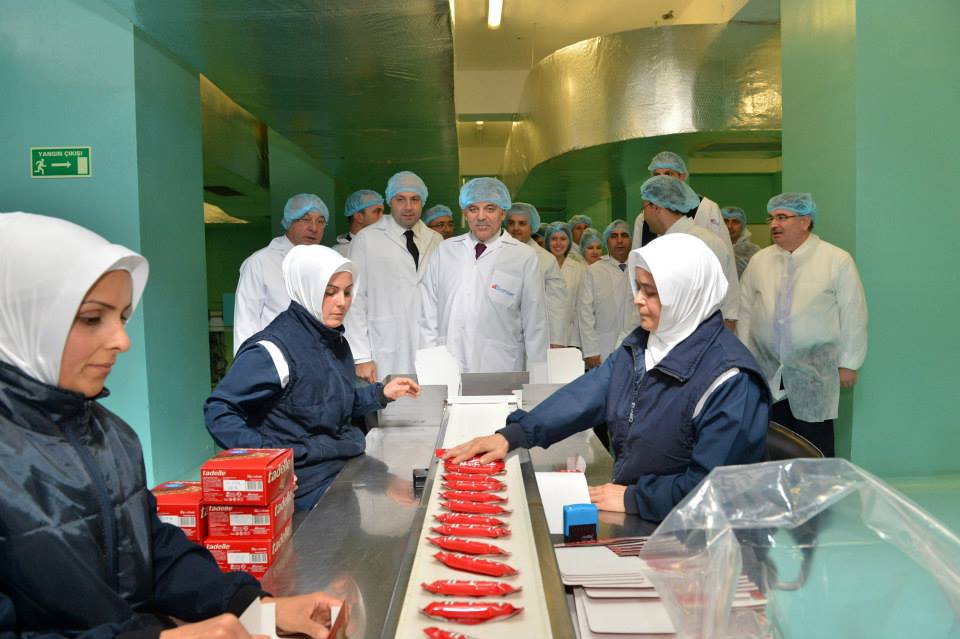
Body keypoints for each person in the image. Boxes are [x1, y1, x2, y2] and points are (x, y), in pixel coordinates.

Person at [0, 212, 343, 638]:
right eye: (91, 318)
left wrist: (256, 610)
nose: (122, 341)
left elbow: (153, 552)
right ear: (19, 318)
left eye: (122, 317)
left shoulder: (111, 436)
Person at [445, 234, 770, 522]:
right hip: (642, 507)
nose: (637, 299)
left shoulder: (731, 380)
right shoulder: (647, 344)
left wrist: (635, 499)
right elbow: (587, 394)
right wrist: (515, 435)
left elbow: (717, 491)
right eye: (638, 287)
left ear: (687, 296)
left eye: (651, 292)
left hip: (688, 531)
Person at [206, 245, 420, 511]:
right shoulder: (272, 351)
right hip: (305, 486)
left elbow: (332, 402)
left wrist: (380, 393)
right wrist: (272, 464)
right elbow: (219, 411)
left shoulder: (334, 341)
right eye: (330, 292)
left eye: (347, 292)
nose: (341, 302)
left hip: (342, 468)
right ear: (307, 289)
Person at [738, 193, 868, 456]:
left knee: (814, 440)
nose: (774, 224)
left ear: (805, 221)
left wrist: (849, 363)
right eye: (771, 218)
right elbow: (745, 310)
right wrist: (743, 358)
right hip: (767, 366)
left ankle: (818, 484)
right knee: (773, 437)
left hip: (814, 371)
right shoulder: (760, 260)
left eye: (782, 217)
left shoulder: (836, 259)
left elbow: (853, 312)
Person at [420, 177, 548, 376]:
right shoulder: (445, 251)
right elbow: (428, 314)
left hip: (501, 365)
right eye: (473, 209)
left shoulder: (523, 256)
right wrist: (429, 366)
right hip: (449, 363)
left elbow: (535, 323)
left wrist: (539, 376)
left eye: (490, 208)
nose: (481, 217)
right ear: (465, 214)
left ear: (502, 212)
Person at [344, 171, 443, 382]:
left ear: (422, 202)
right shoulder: (366, 239)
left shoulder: (436, 240)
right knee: (387, 400)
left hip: (428, 346)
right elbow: (355, 299)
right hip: (384, 347)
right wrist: (361, 356)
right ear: (390, 201)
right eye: (400, 199)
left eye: (414, 199)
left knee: (430, 398)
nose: (408, 207)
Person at [640, 175, 740, 329]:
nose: (644, 216)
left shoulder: (684, 245)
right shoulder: (710, 240)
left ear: (656, 207)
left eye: (644, 208)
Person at [233, 193, 328, 353]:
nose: (314, 228)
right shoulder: (260, 262)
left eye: (320, 221)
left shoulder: (326, 262)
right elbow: (246, 322)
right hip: (275, 357)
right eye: (305, 220)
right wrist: (249, 363)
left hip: (317, 356)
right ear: (289, 222)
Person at [632, 151, 732, 254]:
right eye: (657, 175)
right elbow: (636, 257)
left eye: (668, 174)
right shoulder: (644, 218)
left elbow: (724, 253)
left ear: (682, 177)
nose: (662, 180)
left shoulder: (706, 208)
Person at [506, 202, 569, 348]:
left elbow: (557, 305)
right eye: (511, 223)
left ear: (532, 227)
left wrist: (556, 341)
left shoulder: (546, 259)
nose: (515, 228)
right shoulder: (496, 254)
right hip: (502, 334)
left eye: (522, 223)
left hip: (534, 336)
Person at [578, 220, 633, 369]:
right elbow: (585, 314)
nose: (619, 240)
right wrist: (591, 351)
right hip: (602, 348)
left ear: (631, 240)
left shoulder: (639, 268)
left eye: (624, 235)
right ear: (607, 241)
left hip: (635, 345)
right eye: (614, 236)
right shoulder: (593, 271)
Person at [544, 222, 587, 348]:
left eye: (563, 239)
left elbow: (581, 307)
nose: (558, 243)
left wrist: (575, 342)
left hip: (570, 337)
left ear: (569, 242)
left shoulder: (580, 269)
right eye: (554, 239)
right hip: (543, 335)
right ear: (547, 241)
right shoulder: (539, 265)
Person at [334, 189, 384, 256]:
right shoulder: (339, 253)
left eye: (382, 212)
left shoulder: (385, 245)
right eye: (377, 211)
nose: (382, 217)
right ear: (359, 217)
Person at [722, 206, 761, 278]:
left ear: (743, 225)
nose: (729, 226)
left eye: (735, 222)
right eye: (725, 221)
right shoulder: (713, 247)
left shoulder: (754, 252)